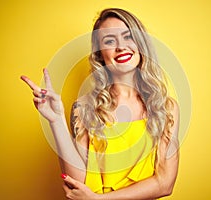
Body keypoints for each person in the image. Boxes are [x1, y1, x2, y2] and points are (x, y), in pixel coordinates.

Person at [21, 8, 180, 200]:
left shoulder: (166, 108)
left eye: (128, 36)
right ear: (100, 54)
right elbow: (77, 183)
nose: (120, 47)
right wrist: (56, 120)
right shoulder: (84, 108)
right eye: (109, 41)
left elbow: (165, 184)